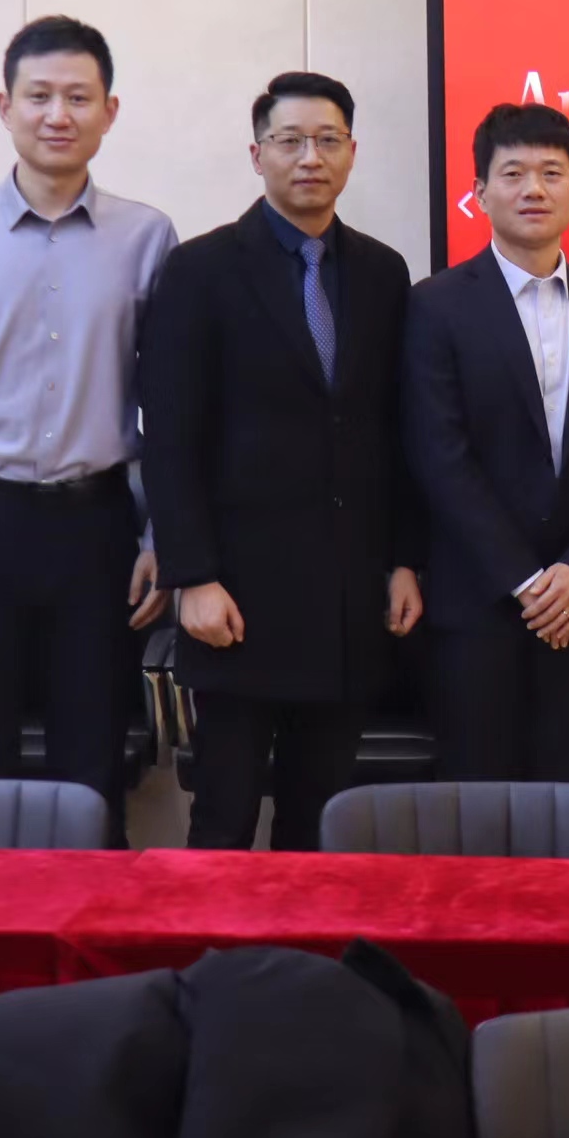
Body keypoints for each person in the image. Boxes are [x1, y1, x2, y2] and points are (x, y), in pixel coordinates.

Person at [0, 16, 175, 831]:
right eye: (39, 96)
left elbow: (169, 405)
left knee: (93, 766)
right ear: (4, 106)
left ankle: (91, 919)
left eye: (78, 97)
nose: (58, 115)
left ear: (109, 111)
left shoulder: (147, 238)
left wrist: (163, 536)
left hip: (98, 527)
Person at [140, 71, 422, 851]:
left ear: (352, 152)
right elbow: (170, 435)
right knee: (224, 816)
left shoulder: (383, 272)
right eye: (290, 141)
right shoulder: (201, 269)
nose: (310, 158)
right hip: (236, 595)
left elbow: (396, 431)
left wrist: (404, 560)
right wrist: (192, 577)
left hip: (346, 597)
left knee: (318, 819)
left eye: (328, 141)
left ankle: (308, 940)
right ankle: (214, 941)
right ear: (257, 154)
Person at [402, 102, 569, 784]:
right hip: (477, 595)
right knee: (477, 798)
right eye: (513, 174)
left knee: (564, 792)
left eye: (551, 172)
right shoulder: (435, 305)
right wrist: (526, 580)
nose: (533, 189)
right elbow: (439, 455)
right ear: (480, 192)